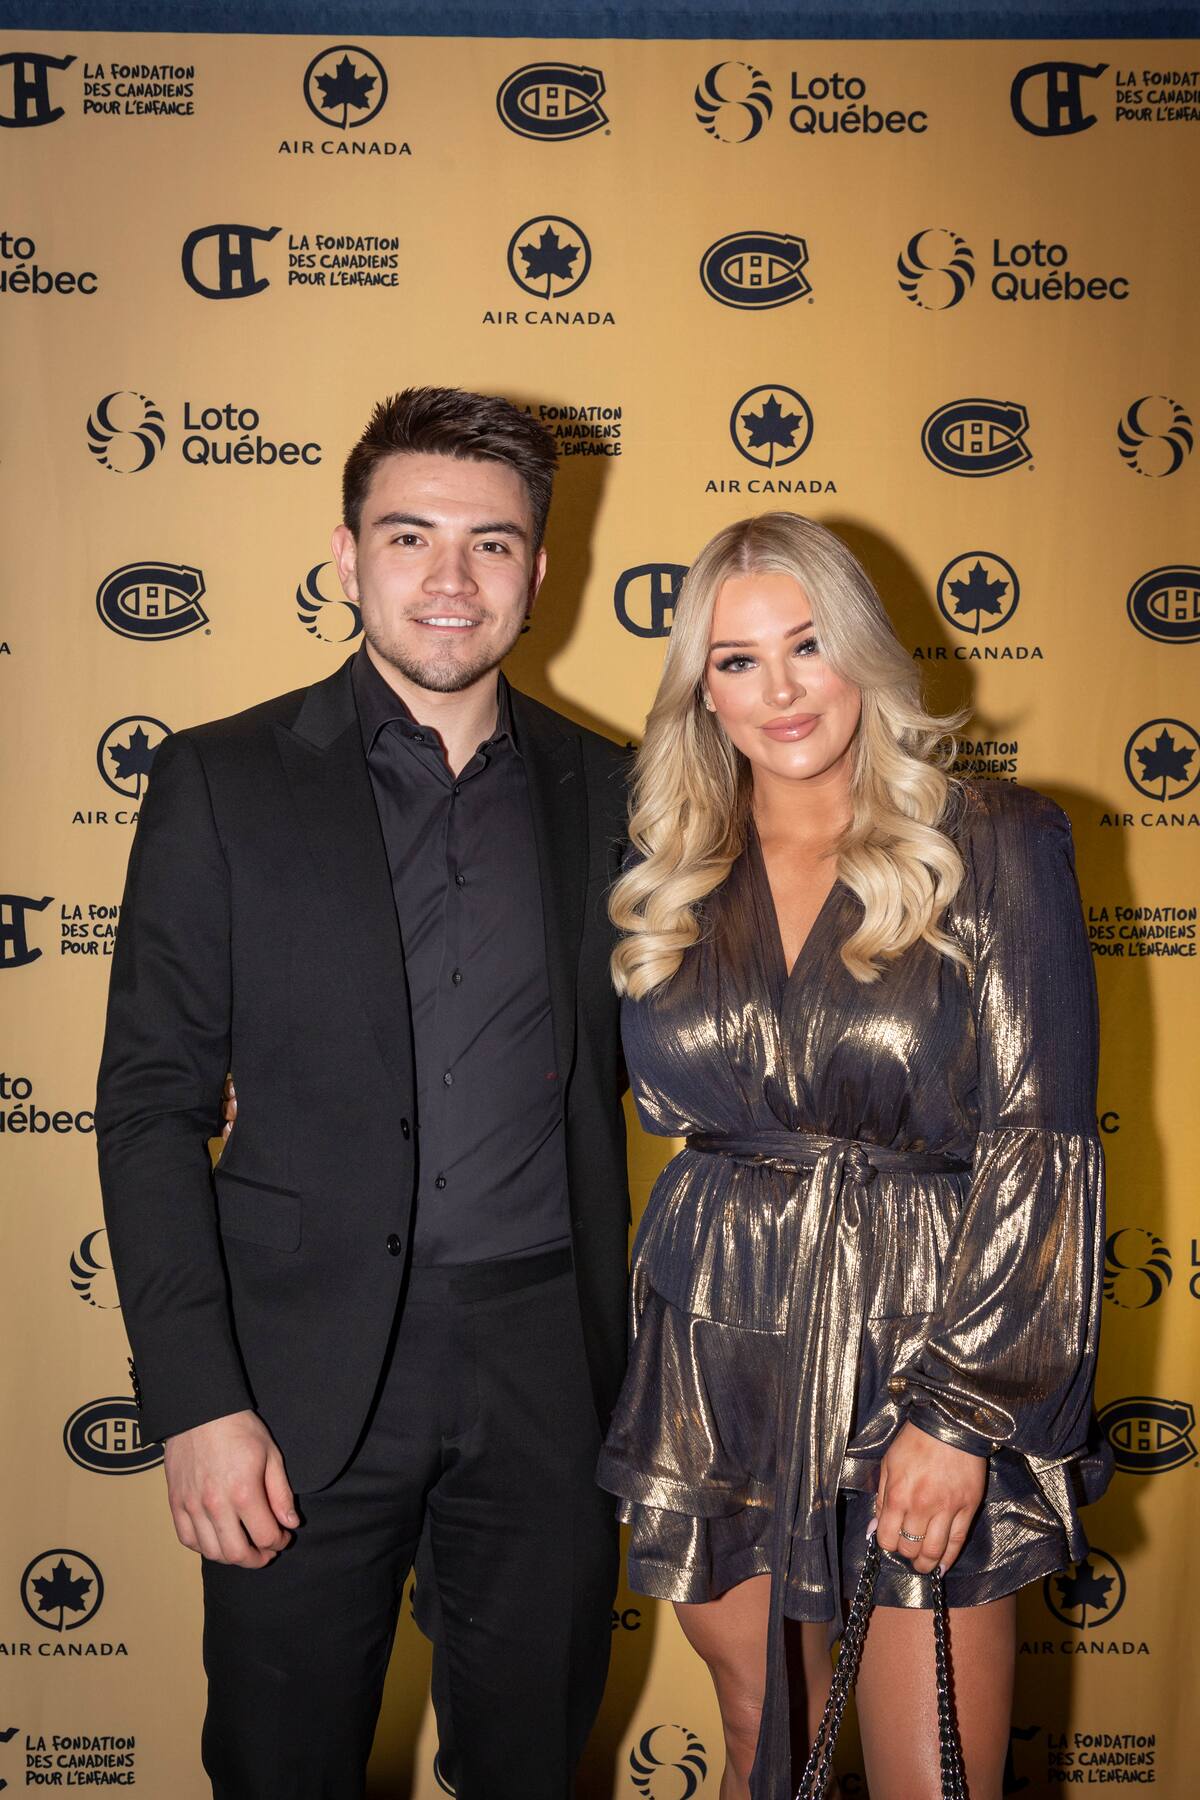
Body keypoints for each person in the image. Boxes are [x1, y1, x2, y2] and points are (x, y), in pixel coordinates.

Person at [95, 388, 631, 1800]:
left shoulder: (623, 792)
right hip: (292, 1386)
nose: (450, 580)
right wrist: (195, 1400)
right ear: (346, 554)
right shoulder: (219, 780)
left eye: (492, 544)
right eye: (411, 536)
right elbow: (150, 1103)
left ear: (541, 569)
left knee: (530, 1769)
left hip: (548, 1380)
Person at [596, 513, 1110, 1800]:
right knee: (765, 1736)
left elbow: (1040, 1146)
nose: (778, 691)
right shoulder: (671, 866)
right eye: (734, 661)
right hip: (718, 1348)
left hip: (920, 1346)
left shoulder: (995, 841)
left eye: (807, 645)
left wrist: (962, 1414)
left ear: (863, 651)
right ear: (699, 690)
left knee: (933, 1769)